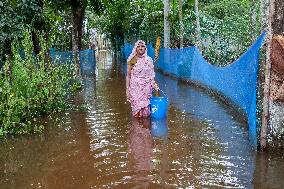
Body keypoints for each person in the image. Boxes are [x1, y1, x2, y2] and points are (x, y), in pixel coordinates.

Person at [126, 40, 159, 118]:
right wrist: (127, 90)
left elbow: (151, 76)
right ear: (135, 48)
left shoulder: (149, 60)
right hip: (135, 89)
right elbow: (128, 75)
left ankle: (145, 128)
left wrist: (155, 85)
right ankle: (137, 129)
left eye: (142, 46)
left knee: (146, 112)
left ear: (145, 48)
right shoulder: (133, 60)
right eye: (138, 46)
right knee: (136, 111)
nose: (140, 48)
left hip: (146, 89)